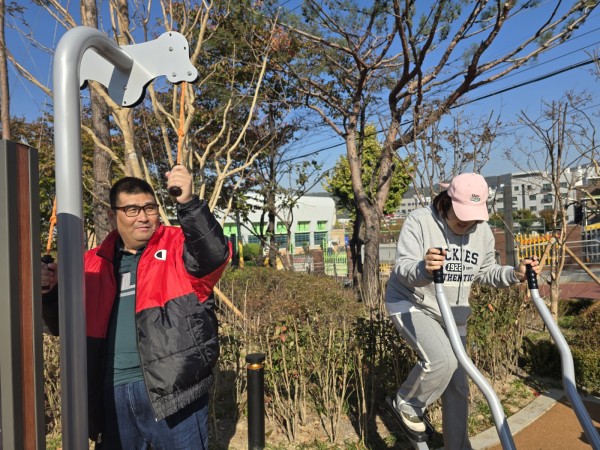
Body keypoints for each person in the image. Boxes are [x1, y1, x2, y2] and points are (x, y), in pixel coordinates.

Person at [41, 165, 231, 450]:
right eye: (131, 210)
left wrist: (189, 203)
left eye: (149, 208)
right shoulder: (89, 263)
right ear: (112, 215)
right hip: (110, 393)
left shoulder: (180, 244)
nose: (143, 217)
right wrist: (50, 291)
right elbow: (59, 326)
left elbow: (215, 254)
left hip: (173, 392)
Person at [385, 172, 540, 449]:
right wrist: (424, 268)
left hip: (453, 311)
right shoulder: (420, 221)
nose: (466, 222)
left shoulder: (480, 231)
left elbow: (486, 271)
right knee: (443, 361)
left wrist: (515, 273)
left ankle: (457, 446)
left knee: (458, 385)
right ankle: (407, 402)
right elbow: (403, 268)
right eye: (461, 215)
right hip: (412, 302)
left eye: (473, 217)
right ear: (447, 201)